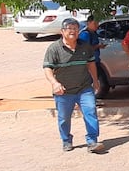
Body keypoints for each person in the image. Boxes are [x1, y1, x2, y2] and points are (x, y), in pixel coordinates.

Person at [43, 18, 105, 153]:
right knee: (64, 118)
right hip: (64, 91)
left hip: (84, 88)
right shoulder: (54, 48)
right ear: (62, 31)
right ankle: (66, 140)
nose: (73, 32)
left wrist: (95, 80)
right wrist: (55, 83)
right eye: (69, 29)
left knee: (90, 112)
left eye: (76, 29)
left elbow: (91, 64)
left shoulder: (85, 46)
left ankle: (92, 141)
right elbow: (47, 69)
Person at [78, 14, 107, 102]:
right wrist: (97, 46)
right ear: (89, 23)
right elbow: (84, 48)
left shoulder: (93, 33)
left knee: (94, 81)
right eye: (95, 23)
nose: (97, 25)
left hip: (95, 60)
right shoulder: (85, 34)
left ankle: (91, 99)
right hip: (88, 62)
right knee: (88, 82)